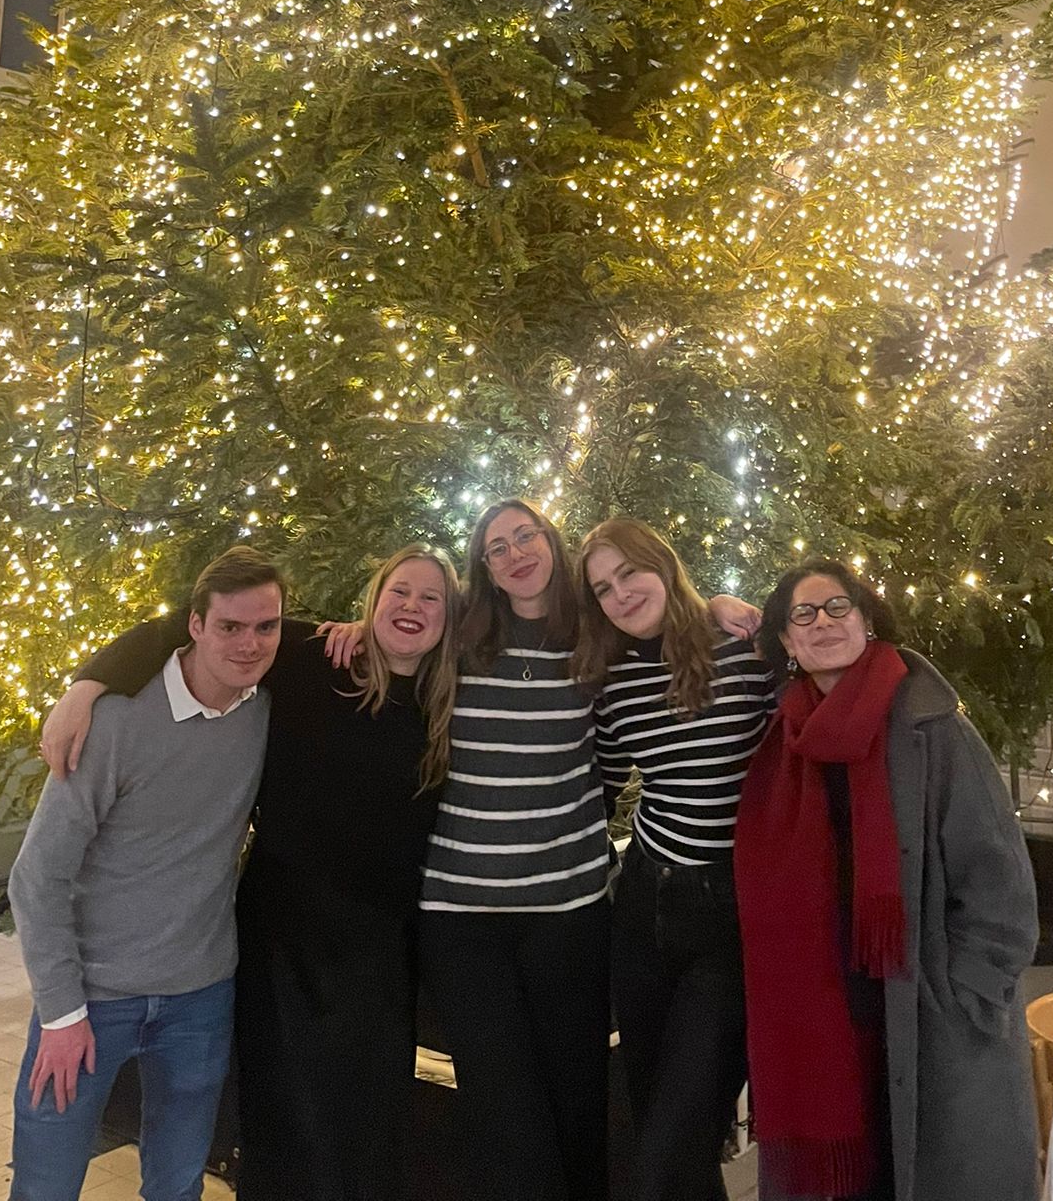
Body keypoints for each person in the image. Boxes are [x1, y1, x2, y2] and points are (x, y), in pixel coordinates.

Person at [322, 498, 758, 1201]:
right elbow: (400, 624)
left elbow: (656, 615)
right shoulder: (459, 633)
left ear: (552, 543)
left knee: (579, 1104)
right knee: (506, 1115)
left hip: (571, 910)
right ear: (484, 570)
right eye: (496, 547)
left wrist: (717, 607)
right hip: (462, 920)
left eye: (526, 535)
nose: (515, 552)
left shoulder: (595, 633)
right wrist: (356, 625)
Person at [39, 546, 460, 1201]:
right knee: (278, 1116)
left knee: (368, 1121)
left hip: (381, 951)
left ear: (449, 618)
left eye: (430, 598)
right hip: (280, 938)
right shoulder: (312, 657)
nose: (411, 606)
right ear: (373, 602)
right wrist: (88, 683)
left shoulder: (454, 704)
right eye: (398, 591)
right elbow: (190, 624)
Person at [734, 557, 1038, 1201]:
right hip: (828, 1007)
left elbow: (999, 882)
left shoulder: (933, 730)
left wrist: (969, 997)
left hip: (922, 1004)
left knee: (926, 1172)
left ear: (867, 620)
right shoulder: (782, 740)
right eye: (803, 616)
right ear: (786, 642)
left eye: (838, 607)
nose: (823, 624)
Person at [8, 545, 284, 1201]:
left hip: (201, 997)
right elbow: (36, 876)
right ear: (194, 625)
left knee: (178, 1183)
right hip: (92, 1001)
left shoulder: (269, 713)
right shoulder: (114, 721)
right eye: (229, 627)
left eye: (266, 627)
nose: (249, 644)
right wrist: (61, 1013)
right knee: (44, 1184)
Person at [574, 517, 773, 1201]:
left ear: (662, 563)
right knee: (654, 1118)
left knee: (680, 1133)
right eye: (602, 588)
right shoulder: (610, 682)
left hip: (731, 919)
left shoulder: (744, 649)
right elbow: (593, 789)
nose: (620, 594)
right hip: (644, 908)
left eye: (629, 573)